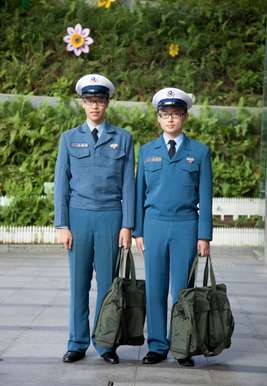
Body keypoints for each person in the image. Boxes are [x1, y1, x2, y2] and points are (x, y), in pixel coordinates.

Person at [54, 74, 135, 364]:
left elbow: (129, 185)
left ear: (107, 103)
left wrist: (127, 225)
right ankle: (76, 342)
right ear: (82, 103)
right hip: (78, 218)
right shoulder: (69, 139)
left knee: (108, 284)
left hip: (111, 217)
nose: (94, 106)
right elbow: (61, 183)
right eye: (89, 100)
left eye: (99, 100)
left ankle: (105, 342)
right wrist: (62, 225)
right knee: (79, 283)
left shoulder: (123, 138)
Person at [133, 87, 212, 367]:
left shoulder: (199, 153)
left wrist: (204, 235)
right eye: (165, 115)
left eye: (176, 114)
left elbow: (205, 195)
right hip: (154, 226)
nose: (170, 120)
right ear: (158, 119)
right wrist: (137, 231)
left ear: (185, 117)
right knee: (155, 287)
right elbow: (138, 193)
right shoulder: (146, 152)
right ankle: (156, 345)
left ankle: (182, 344)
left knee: (182, 289)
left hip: (185, 226)